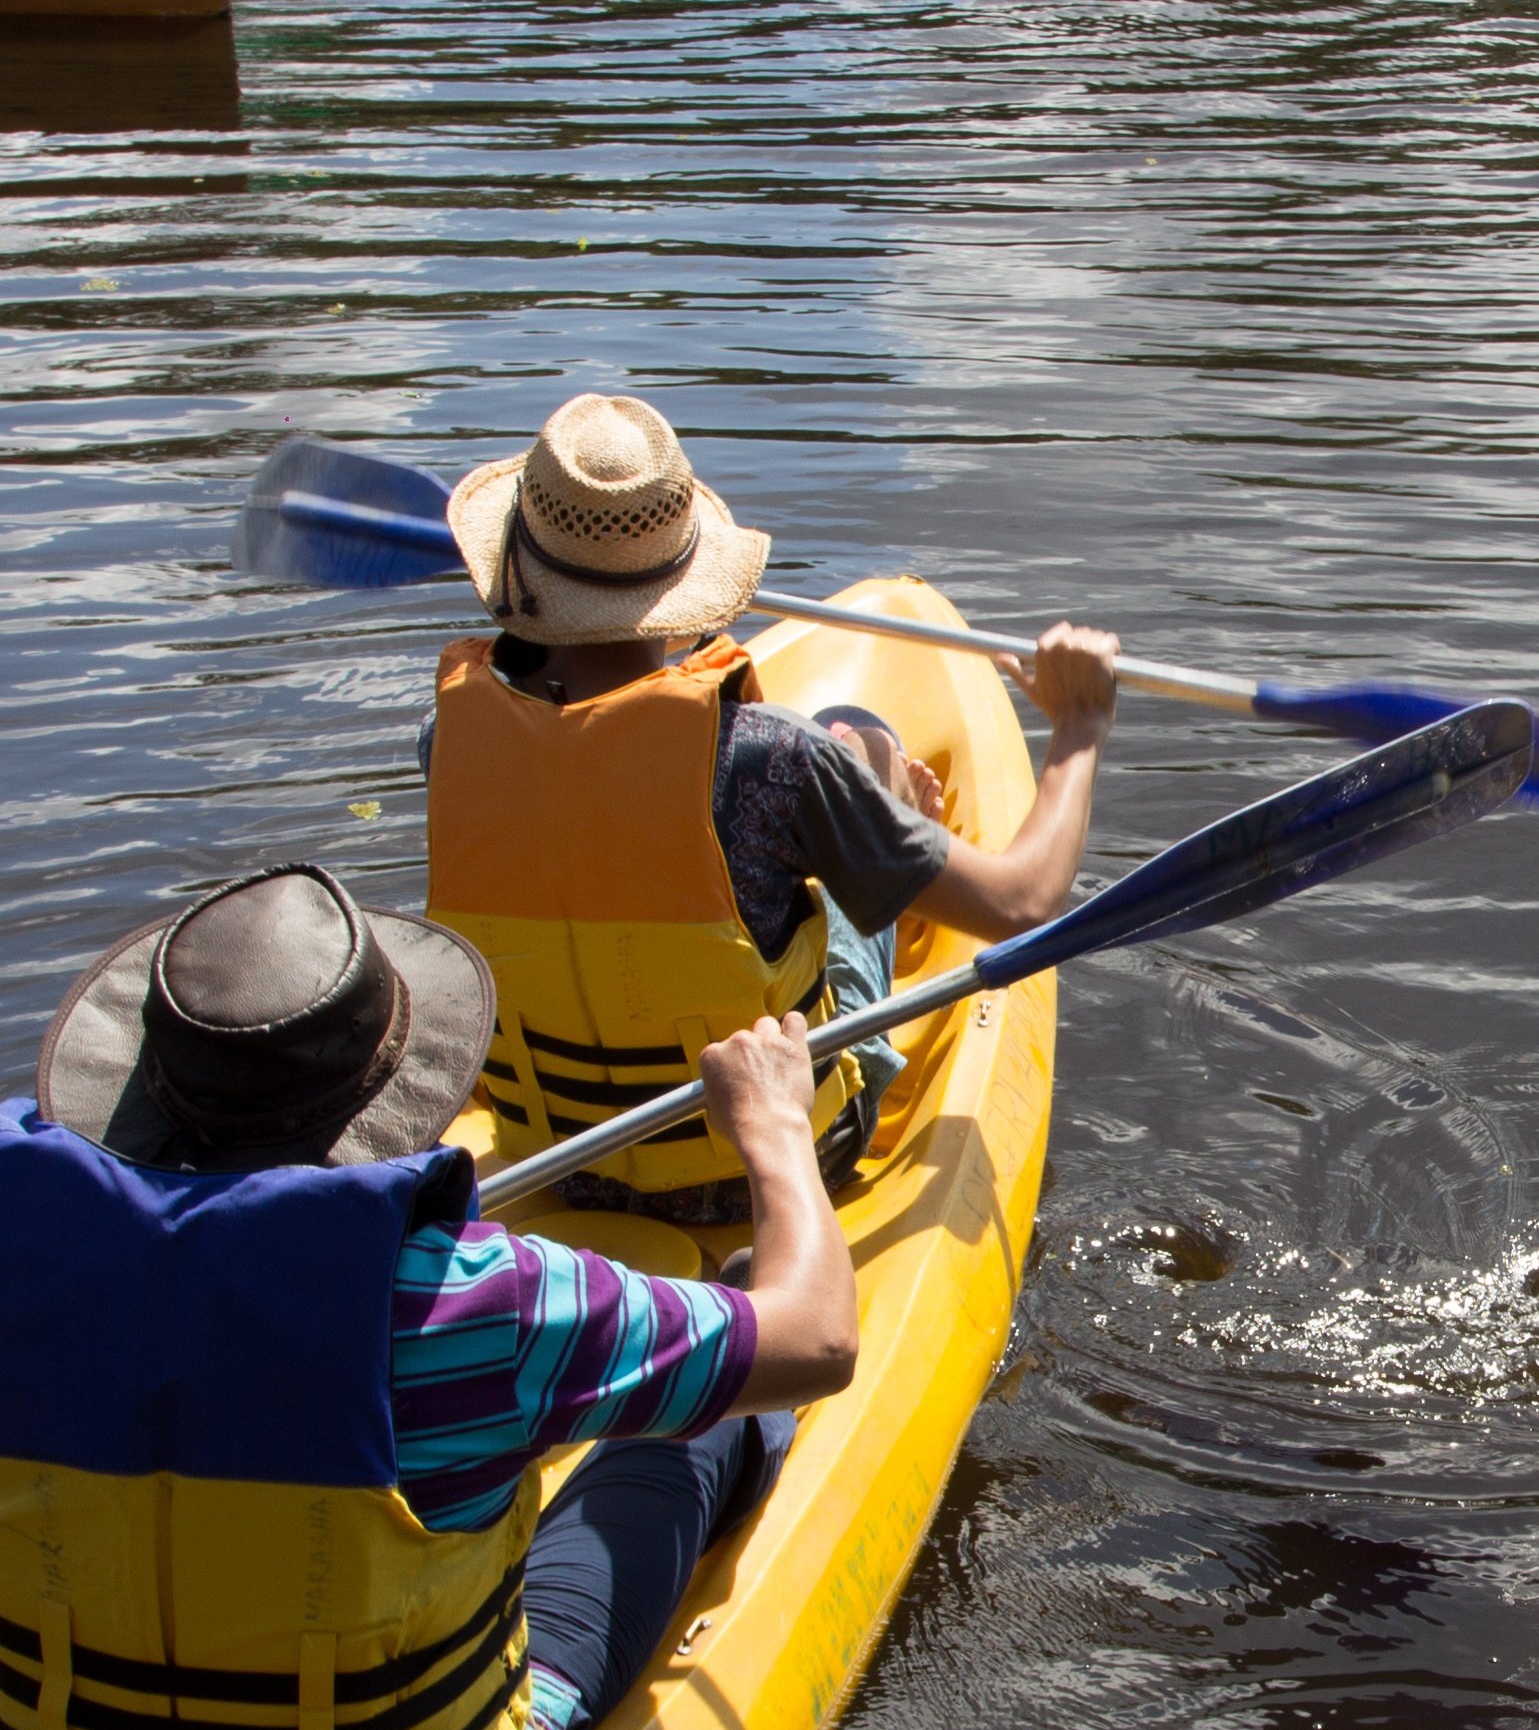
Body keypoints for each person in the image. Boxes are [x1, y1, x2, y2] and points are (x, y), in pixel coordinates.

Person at [0, 862, 852, 1730]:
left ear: (146, 1083)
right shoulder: (488, 1302)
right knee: (681, 1442)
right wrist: (776, 1129)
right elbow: (816, 1341)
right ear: (392, 1092)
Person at [419, 391, 1124, 1220]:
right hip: (770, 1163)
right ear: (688, 577)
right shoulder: (776, 758)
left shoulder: (447, 740)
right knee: (862, 745)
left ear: (512, 571)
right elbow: (1021, 906)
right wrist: (1079, 728)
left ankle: (880, 819)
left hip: (560, 1162)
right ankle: (885, 829)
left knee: (841, 760)